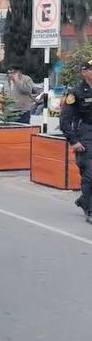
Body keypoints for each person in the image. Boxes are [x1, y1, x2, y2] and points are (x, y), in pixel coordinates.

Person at [59, 59, 92, 225]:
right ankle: (90, 209)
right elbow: (64, 119)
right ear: (84, 72)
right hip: (85, 133)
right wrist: (73, 141)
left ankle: (84, 199)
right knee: (90, 174)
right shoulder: (76, 92)